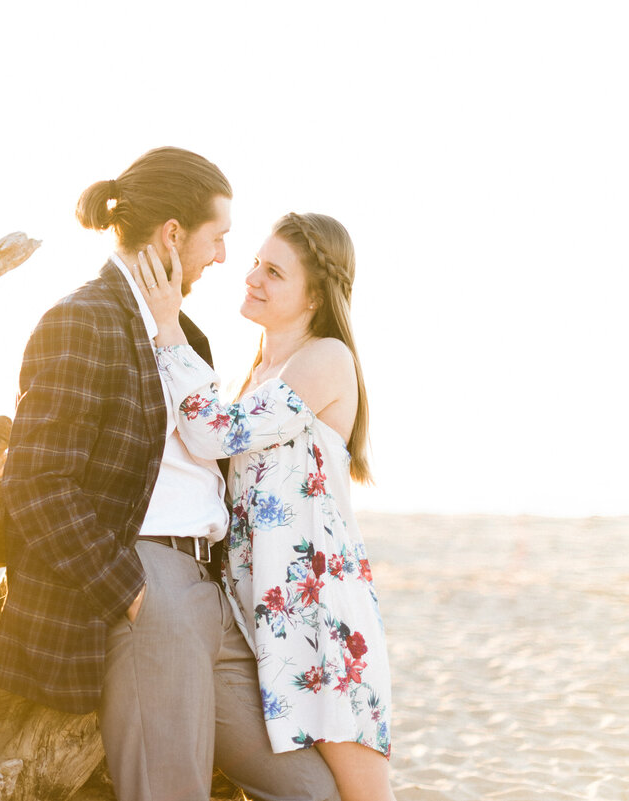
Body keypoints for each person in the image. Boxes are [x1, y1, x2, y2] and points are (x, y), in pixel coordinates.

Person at [0, 148, 340, 801]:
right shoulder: (82, 320)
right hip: (149, 588)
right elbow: (37, 481)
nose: (222, 258)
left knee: (309, 790)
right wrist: (131, 593)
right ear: (173, 233)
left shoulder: (192, 339)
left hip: (210, 595)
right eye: (217, 238)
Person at [130, 213, 394, 801]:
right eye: (256, 262)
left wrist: (168, 324)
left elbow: (213, 433)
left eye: (274, 272)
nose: (251, 277)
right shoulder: (260, 373)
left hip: (321, 622)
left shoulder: (326, 358)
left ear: (315, 297)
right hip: (264, 620)